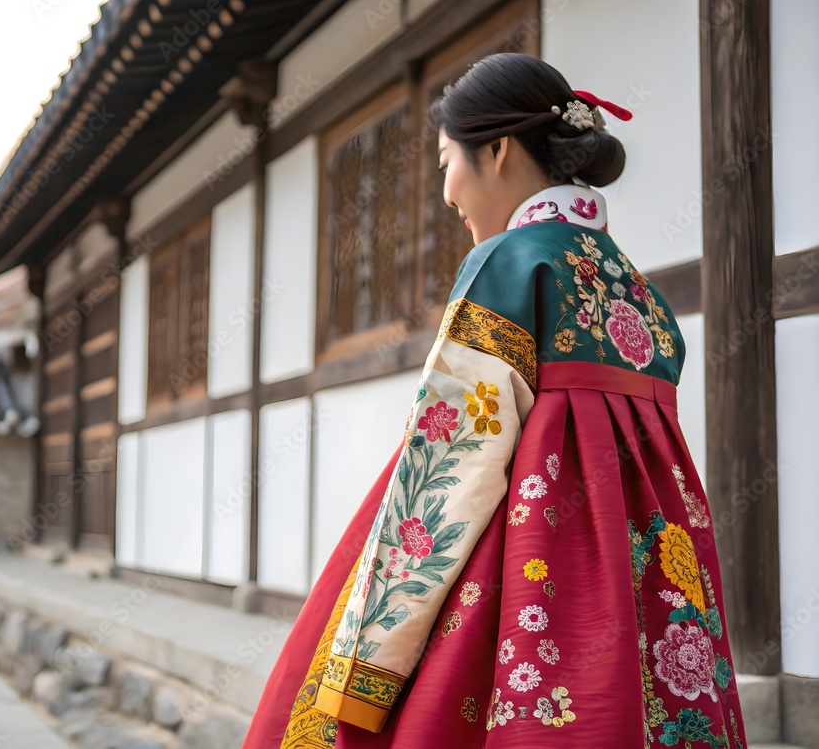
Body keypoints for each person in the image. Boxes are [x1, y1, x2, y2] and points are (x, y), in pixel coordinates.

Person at [243, 52, 747, 748]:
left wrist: (369, 659)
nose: (446, 192)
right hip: (647, 587)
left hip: (529, 568)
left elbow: (454, 458)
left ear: (499, 151)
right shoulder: (639, 291)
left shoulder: (511, 263)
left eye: (447, 161)